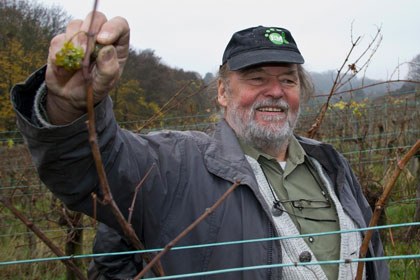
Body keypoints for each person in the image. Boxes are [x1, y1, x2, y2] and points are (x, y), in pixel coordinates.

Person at [11, 12, 389, 279]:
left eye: (288, 81)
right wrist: (71, 106)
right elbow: (91, 169)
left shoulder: (332, 166)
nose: (275, 92)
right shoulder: (176, 164)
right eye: (257, 78)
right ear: (223, 91)